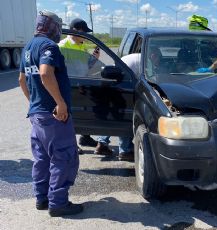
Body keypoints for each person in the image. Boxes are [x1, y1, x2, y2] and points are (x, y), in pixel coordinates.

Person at [18, 10, 83, 217]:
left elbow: (22, 80)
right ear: (52, 26)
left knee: (42, 159)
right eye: (58, 26)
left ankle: (42, 198)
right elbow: (45, 73)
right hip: (54, 115)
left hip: (37, 115)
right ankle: (58, 203)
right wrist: (60, 103)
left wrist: (34, 102)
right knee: (63, 157)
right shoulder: (49, 46)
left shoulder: (28, 47)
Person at [59, 18, 100, 148]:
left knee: (84, 112)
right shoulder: (62, 46)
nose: (86, 35)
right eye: (84, 32)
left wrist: (94, 58)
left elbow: (85, 66)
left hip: (82, 84)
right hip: (70, 86)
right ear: (75, 31)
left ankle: (85, 137)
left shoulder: (81, 45)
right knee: (69, 116)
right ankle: (71, 143)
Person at [94, 53, 141, 161]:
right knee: (125, 117)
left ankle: (102, 144)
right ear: (154, 55)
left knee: (113, 115)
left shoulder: (138, 56)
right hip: (123, 86)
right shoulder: (144, 61)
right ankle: (125, 151)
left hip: (113, 82)